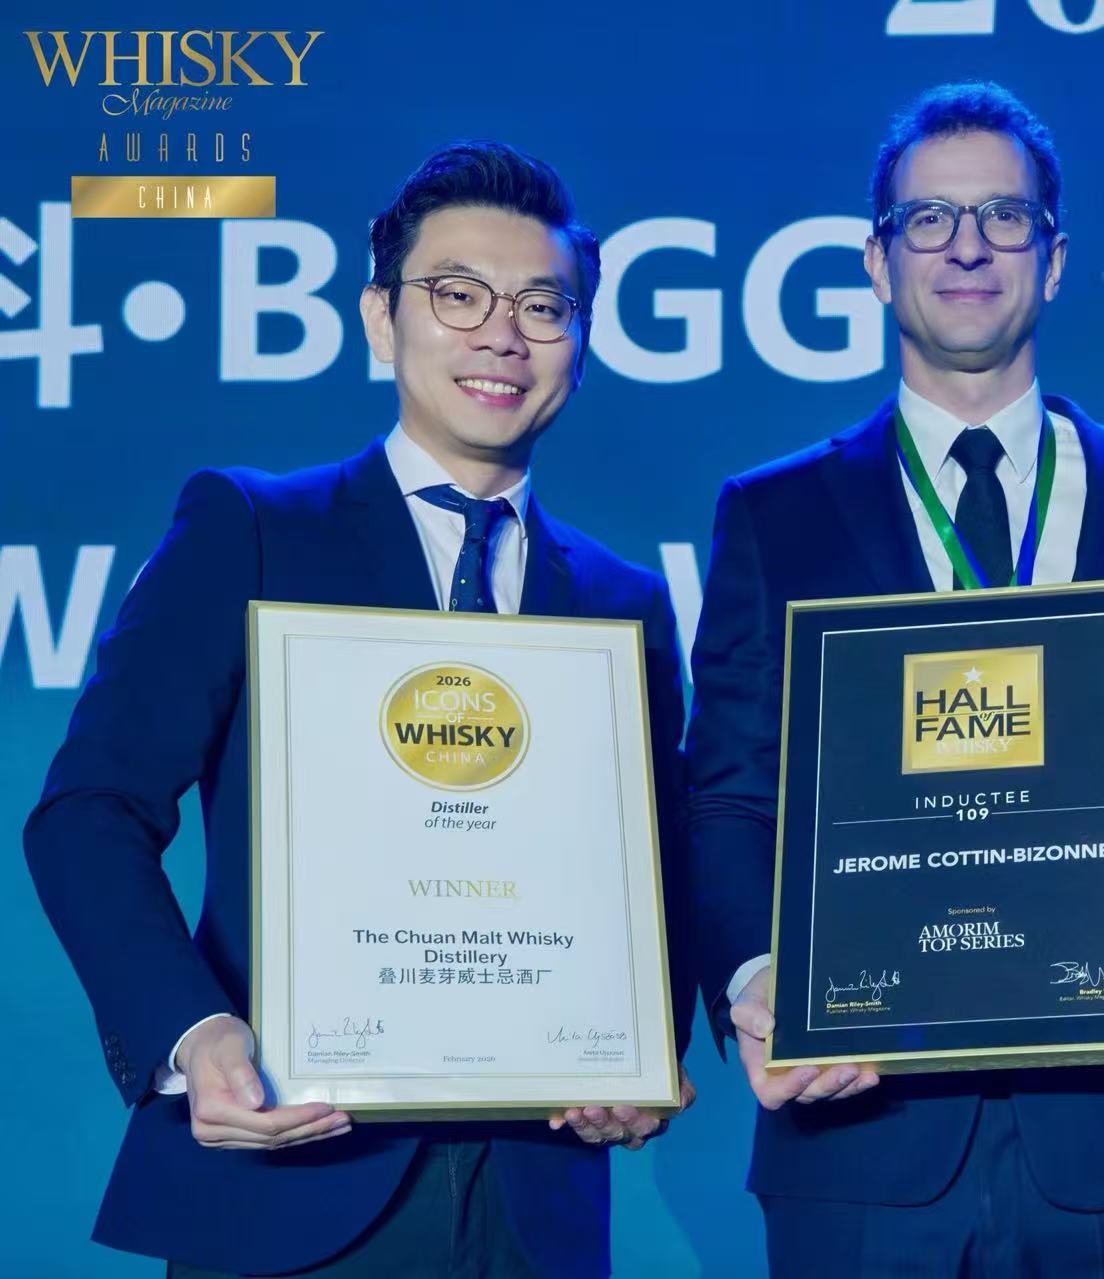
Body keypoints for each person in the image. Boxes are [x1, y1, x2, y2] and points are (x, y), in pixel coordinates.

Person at [23, 139, 694, 1279]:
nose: (502, 336)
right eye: (458, 295)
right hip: (287, 1176)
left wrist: (642, 1050)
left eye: (542, 306)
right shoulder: (251, 530)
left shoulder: (622, 601)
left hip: (535, 1206)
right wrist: (193, 1031)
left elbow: (651, 869)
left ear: (580, 344)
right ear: (382, 319)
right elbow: (88, 812)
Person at [686, 81, 1104, 1277]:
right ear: (877, 260)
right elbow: (729, 794)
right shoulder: (775, 515)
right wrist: (759, 981)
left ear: (1052, 260)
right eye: (929, 219)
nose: (967, 247)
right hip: (861, 1122)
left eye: (1005, 217)